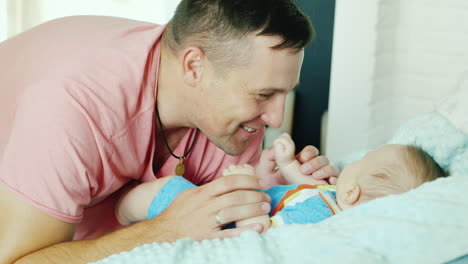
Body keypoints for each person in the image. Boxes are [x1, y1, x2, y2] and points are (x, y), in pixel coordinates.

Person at [0, 0, 340, 263]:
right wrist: (164, 230)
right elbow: (19, 259)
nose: (277, 118)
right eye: (264, 94)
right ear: (194, 66)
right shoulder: (73, 104)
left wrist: (279, 194)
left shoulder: (233, 122)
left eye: (285, 94)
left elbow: (221, 234)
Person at [116, 133, 447, 231]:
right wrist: (288, 162)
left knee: (172, 191)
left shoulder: (317, 217)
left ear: (352, 190)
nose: (349, 162)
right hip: (237, 208)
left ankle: (123, 211)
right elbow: (299, 181)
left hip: (226, 224)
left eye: (359, 162)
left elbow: (263, 234)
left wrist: (246, 187)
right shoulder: (329, 194)